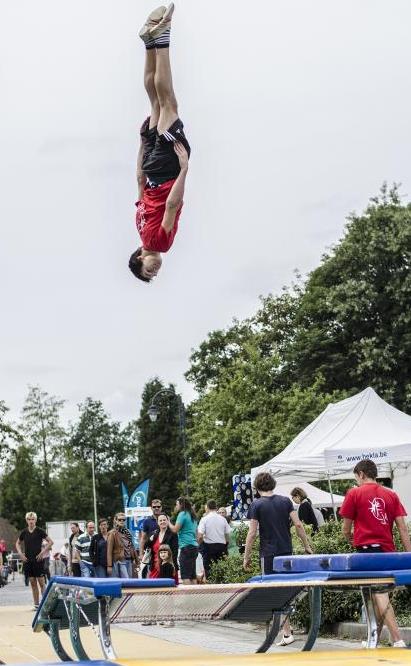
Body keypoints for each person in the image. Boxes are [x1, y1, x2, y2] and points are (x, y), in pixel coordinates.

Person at [129, 3, 190, 283]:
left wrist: (184, 169)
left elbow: (172, 206)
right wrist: (143, 143)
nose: (155, 271)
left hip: (166, 169)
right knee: (154, 101)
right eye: (153, 274)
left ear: (139, 257)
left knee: (167, 102)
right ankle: (149, 42)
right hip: (152, 166)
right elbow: (140, 181)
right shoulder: (139, 227)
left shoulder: (160, 244)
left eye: (148, 270)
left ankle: (162, 38)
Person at [340, 458, 411, 648]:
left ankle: (398, 640)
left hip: (367, 553)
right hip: (388, 552)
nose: (357, 481)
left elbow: (345, 530)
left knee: (379, 594)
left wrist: (352, 540)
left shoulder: (354, 493)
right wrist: (408, 555)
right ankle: (375, 638)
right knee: (377, 594)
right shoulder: (391, 495)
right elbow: (402, 528)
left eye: (357, 477)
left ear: (361, 474)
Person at [243, 473, 313, 646]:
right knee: (286, 590)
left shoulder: (256, 504)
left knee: (273, 592)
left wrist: (246, 556)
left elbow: (252, 533)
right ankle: (286, 631)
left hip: (268, 554)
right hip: (286, 551)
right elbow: (298, 525)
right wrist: (306, 546)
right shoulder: (285, 501)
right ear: (273, 484)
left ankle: (286, 633)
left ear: (257, 488)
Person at [15, 512, 53, 610]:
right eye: (29, 519)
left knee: (41, 582)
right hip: (28, 560)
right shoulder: (24, 532)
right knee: (32, 582)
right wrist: (20, 553)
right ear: (26, 520)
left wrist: (42, 553)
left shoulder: (40, 531)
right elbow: (17, 543)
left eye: (32, 519)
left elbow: (50, 542)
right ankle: (36, 605)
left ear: (35, 520)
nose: (31, 521)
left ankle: (45, 604)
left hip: (38, 560)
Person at [168, 497, 198, 584]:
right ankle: (196, 596)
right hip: (194, 546)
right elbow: (196, 533)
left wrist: (168, 522)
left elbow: (175, 530)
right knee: (192, 575)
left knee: (185, 575)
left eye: (177, 504)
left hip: (186, 547)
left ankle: (188, 597)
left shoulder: (182, 514)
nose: (176, 506)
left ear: (181, 505)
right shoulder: (192, 515)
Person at [198, 500, 231, 578]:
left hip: (208, 547)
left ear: (207, 508)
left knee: (209, 571)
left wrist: (201, 544)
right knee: (223, 571)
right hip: (222, 547)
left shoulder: (204, 519)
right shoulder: (223, 519)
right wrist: (226, 544)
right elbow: (227, 534)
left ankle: (211, 589)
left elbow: (200, 536)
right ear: (216, 507)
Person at [148, 513, 178, 583]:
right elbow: (147, 547)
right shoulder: (154, 534)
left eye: (164, 520)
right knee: (153, 589)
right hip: (155, 567)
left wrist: (171, 566)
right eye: (160, 520)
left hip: (168, 567)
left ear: (168, 521)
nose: (162, 522)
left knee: (168, 590)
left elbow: (175, 551)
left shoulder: (172, 534)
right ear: (157, 522)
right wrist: (150, 540)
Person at [107, 512, 138, 578]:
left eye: (123, 520)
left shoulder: (128, 532)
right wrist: (109, 565)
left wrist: (137, 561)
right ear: (115, 520)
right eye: (119, 519)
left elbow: (132, 546)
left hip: (129, 559)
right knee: (126, 580)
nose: (121, 521)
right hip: (120, 560)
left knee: (129, 581)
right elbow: (109, 550)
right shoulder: (112, 533)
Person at [139, 498, 163, 576]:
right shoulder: (147, 521)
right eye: (154, 507)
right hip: (152, 551)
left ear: (161, 507)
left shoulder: (165, 519)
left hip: (164, 549)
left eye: (158, 506)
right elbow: (143, 538)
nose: (156, 508)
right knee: (152, 572)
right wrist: (141, 553)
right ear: (151, 508)